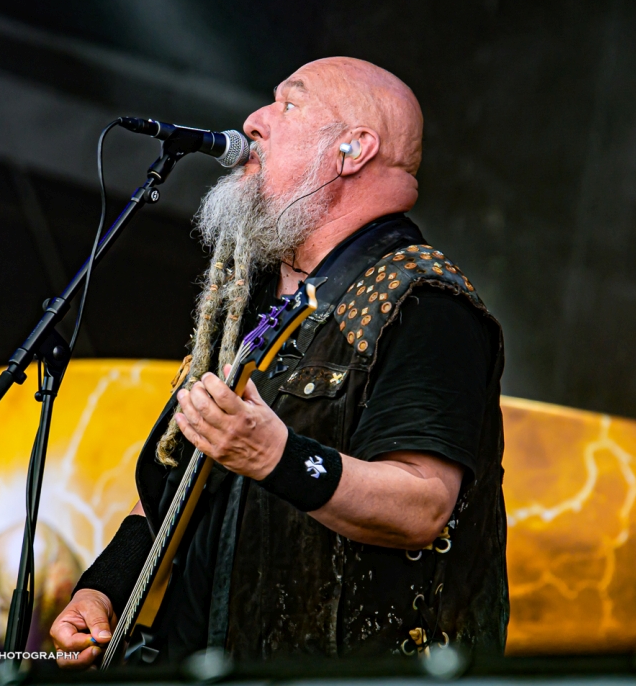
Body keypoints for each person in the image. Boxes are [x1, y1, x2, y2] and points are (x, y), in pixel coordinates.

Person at [50, 57, 508, 665]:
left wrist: (277, 457)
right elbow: (180, 476)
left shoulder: (424, 303)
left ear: (353, 149)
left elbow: (422, 505)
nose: (254, 121)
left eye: (289, 104)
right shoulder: (253, 300)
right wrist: (102, 589)